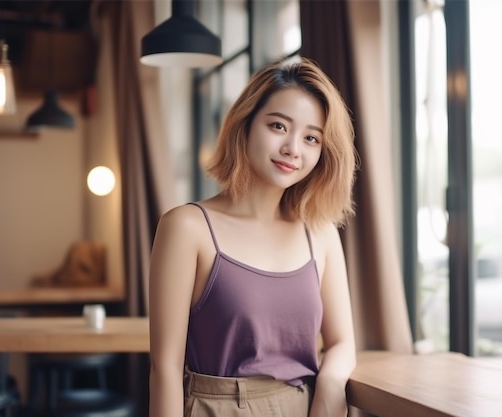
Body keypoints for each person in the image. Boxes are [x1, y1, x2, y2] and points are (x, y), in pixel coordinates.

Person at [148, 57, 358, 417]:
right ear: (244, 125)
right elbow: (165, 369)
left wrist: (330, 386)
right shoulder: (187, 227)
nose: (294, 148)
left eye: (311, 138)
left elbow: (342, 343)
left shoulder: (320, 234)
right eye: (279, 126)